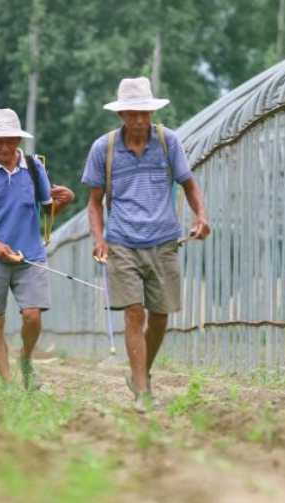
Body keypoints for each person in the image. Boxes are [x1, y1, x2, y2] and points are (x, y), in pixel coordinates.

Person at [82, 77, 210, 412]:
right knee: (133, 313)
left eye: (145, 114)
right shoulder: (103, 149)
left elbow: (190, 185)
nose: (140, 120)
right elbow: (94, 202)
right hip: (122, 242)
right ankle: (142, 391)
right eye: (133, 114)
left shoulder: (169, 143)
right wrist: (99, 238)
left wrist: (201, 216)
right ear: (122, 114)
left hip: (164, 240)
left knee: (161, 316)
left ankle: (142, 373)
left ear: (152, 112)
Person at [0, 108, 75, 389]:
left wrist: (64, 201)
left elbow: (44, 214)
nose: (4, 147)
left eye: (9, 140)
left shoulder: (35, 169)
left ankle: (25, 358)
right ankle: (9, 385)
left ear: (18, 140)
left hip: (30, 257)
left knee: (32, 316)